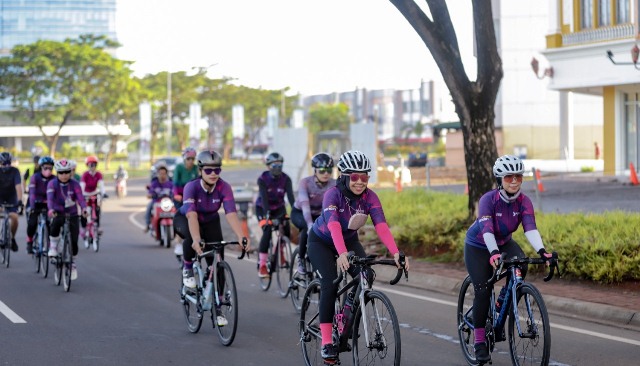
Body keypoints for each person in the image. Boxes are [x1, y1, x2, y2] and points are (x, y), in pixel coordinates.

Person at [307, 150, 409, 362]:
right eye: (354, 177)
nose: (360, 182)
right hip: (321, 242)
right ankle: (327, 341)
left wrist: (396, 253)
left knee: (366, 275)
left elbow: (381, 225)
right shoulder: (332, 195)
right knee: (329, 284)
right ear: (344, 176)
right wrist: (342, 253)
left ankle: (344, 319)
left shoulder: (369, 197)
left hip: (349, 241)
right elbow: (333, 225)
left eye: (364, 176)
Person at [464, 155, 553, 363]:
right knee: (483, 290)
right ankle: (478, 342)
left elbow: (530, 228)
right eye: (508, 177)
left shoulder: (524, 201)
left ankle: (502, 302)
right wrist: (494, 253)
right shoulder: (488, 200)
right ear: (499, 180)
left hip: (504, 242)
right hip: (478, 245)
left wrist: (542, 251)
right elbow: (486, 230)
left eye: (518, 177)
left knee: (521, 263)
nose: (514, 181)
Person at [174, 150, 250, 326]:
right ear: (200, 170)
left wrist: (241, 237)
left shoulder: (224, 187)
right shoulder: (191, 187)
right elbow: (192, 216)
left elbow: (231, 214)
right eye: (208, 170)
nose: (214, 174)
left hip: (211, 221)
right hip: (186, 219)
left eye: (217, 170)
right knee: (191, 239)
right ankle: (188, 268)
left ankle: (219, 306)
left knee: (218, 262)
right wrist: (196, 239)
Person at [290, 152, 336, 274]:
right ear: (315, 170)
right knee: (308, 228)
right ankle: (300, 259)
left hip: (319, 214)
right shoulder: (305, 182)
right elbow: (305, 205)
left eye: (329, 170)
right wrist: (310, 224)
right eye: (322, 170)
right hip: (300, 213)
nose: (326, 173)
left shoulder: (334, 184)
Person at [254, 152, 295, 278]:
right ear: (268, 166)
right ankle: (262, 265)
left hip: (279, 208)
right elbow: (264, 198)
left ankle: (280, 253)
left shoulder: (286, 178)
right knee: (267, 231)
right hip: (263, 208)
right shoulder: (262, 179)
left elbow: (290, 197)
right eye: (274, 165)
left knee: (286, 230)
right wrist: (267, 215)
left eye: (280, 164)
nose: (278, 167)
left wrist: (295, 211)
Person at [47, 158, 88, 281]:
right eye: (61, 172)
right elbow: (50, 199)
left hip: (72, 214)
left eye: (66, 172)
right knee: (55, 224)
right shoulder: (52, 184)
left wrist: (84, 209)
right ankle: (53, 246)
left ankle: (73, 264)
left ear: (71, 172)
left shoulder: (75, 184)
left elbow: (80, 198)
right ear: (57, 173)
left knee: (74, 242)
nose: (64, 175)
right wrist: (51, 210)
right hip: (57, 211)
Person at [25, 156, 55, 254]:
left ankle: (51, 245)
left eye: (50, 168)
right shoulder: (35, 177)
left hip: (49, 204)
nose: (48, 170)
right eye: (45, 168)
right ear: (41, 167)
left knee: (51, 223)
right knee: (32, 223)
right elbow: (32, 193)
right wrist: (32, 207)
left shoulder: (54, 179)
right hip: (36, 202)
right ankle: (29, 241)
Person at [80, 155, 106, 248]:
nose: (92, 166)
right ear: (87, 165)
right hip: (86, 194)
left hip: (94, 193)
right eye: (91, 164)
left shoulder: (98, 174)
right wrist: (81, 194)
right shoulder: (85, 174)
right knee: (85, 211)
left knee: (97, 209)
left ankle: (97, 227)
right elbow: (82, 185)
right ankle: (83, 228)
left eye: (94, 164)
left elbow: (101, 185)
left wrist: (104, 193)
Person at [0, 152, 24, 252]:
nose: (6, 166)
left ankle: (12, 238)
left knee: (14, 218)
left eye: (8, 163)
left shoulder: (15, 171)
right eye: (3, 163)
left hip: (11, 197)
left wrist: (19, 200)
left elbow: (18, 186)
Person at [146, 164, 173, 235]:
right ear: (157, 174)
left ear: (167, 174)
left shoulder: (170, 184)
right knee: (149, 207)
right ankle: (148, 225)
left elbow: (174, 192)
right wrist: (150, 195)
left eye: (164, 174)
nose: (162, 175)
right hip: (156, 203)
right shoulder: (154, 183)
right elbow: (149, 193)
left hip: (168, 203)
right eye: (160, 173)